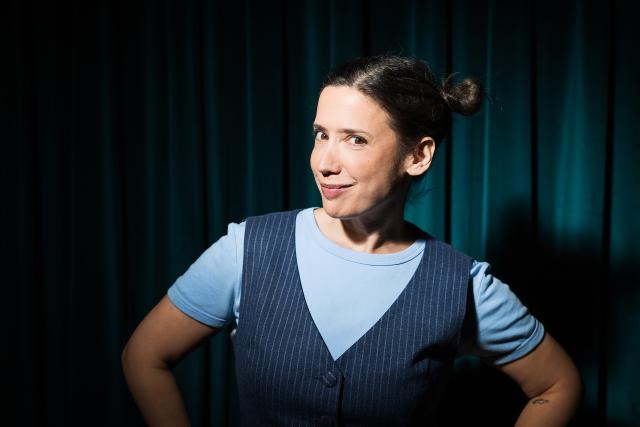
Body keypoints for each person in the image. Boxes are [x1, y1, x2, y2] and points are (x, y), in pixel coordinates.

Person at [122, 54, 582, 426]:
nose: (325, 162)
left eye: (355, 140)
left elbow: (557, 386)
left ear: (418, 155)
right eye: (321, 135)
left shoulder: (463, 285)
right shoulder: (248, 249)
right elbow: (144, 356)